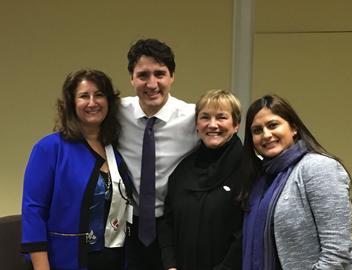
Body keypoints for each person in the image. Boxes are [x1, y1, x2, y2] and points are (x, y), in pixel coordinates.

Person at [21, 69, 133, 270]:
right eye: (84, 96)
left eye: (99, 95)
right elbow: (33, 212)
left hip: (114, 260)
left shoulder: (115, 150)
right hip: (66, 261)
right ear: (72, 103)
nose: (92, 102)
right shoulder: (50, 148)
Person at [241, 94, 352, 270]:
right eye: (257, 130)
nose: (266, 135)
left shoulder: (318, 168)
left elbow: (337, 253)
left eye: (273, 125)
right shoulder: (259, 181)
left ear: (294, 128)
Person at [117, 38, 199, 270]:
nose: (152, 84)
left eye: (160, 74)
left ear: (172, 76)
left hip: (174, 228)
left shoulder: (193, 117)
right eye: (143, 75)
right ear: (131, 78)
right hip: (127, 227)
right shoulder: (116, 112)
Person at [158, 89, 245, 270]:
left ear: (236, 124)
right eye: (205, 117)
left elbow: (248, 231)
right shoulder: (183, 169)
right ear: (197, 125)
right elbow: (167, 220)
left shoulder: (249, 169)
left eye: (221, 117)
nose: (212, 125)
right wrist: (170, 264)